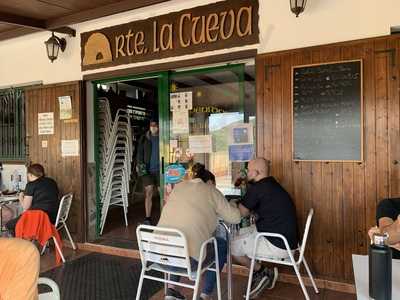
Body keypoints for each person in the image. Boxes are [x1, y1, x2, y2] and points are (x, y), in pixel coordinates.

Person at [157, 163, 241, 300]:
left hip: (157, 255)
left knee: (179, 242)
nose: (215, 188)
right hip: (188, 261)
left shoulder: (179, 187)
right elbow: (235, 218)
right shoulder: (210, 190)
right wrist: (232, 204)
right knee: (220, 244)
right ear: (209, 182)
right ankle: (205, 295)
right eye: (214, 185)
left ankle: (171, 290)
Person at [232, 158, 299, 298]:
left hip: (278, 244)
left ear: (257, 172)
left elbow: (241, 213)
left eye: (249, 170)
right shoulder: (271, 184)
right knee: (242, 233)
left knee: (233, 248)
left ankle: (262, 271)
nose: (247, 173)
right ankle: (261, 272)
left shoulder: (258, 188)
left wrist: (233, 203)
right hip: (289, 241)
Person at [6, 164, 60, 236]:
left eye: (28, 175)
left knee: (9, 225)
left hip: (39, 219)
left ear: (30, 174)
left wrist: (21, 197)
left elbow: (26, 207)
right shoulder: (52, 181)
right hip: (53, 218)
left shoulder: (31, 185)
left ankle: (20, 244)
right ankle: (34, 242)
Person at [136, 120, 160, 225]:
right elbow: (139, 153)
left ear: (159, 126)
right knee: (149, 191)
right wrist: (139, 165)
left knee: (162, 192)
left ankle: (165, 217)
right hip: (147, 170)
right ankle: (148, 218)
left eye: (155, 125)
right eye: (151, 125)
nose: (153, 127)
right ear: (149, 126)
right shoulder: (144, 138)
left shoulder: (163, 137)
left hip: (161, 170)